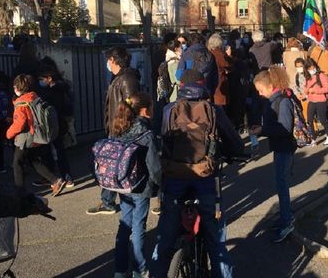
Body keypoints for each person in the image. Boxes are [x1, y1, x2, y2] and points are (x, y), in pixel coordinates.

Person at [151, 70, 245, 277]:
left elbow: (157, 138)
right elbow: (233, 141)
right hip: (206, 178)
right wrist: (239, 153)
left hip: (174, 176)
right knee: (216, 240)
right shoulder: (213, 110)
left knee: (165, 240)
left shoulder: (168, 109)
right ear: (202, 84)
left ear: (181, 86)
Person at [111, 93, 162, 278]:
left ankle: (120, 268)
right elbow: (154, 167)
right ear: (145, 110)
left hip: (122, 185)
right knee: (138, 226)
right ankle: (140, 268)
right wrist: (161, 184)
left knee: (125, 224)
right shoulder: (146, 134)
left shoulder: (118, 128)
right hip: (141, 186)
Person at [88, 46, 141, 216]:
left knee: (113, 165)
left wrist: (123, 124)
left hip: (121, 128)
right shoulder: (119, 78)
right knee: (110, 164)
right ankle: (108, 200)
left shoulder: (126, 79)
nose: (107, 63)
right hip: (116, 127)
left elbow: (132, 104)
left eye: (108, 60)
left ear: (113, 60)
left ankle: (110, 201)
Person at [250, 66, 296, 243]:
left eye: (261, 90)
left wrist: (263, 129)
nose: (260, 94)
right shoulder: (274, 100)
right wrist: (262, 130)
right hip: (279, 147)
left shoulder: (282, 101)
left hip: (285, 148)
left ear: (270, 87)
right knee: (280, 184)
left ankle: (287, 221)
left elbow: (284, 127)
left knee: (282, 186)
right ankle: (285, 217)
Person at [7, 74, 65, 196]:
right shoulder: (34, 98)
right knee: (33, 160)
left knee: (17, 164)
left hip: (25, 138)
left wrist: (8, 133)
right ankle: (55, 180)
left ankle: (20, 192)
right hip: (36, 136)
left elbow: (20, 123)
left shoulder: (21, 104)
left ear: (17, 87)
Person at [38, 66, 74, 187]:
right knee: (59, 151)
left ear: (49, 78)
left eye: (42, 79)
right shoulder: (63, 88)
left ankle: (59, 177)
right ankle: (66, 177)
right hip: (61, 123)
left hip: (53, 124)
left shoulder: (53, 92)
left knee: (54, 151)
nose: (41, 81)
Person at [304, 59, 328, 146]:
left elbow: (327, 88)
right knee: (309, 120)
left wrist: (315, 90)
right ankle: (313, 138)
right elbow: (306, 89)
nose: (311, 70)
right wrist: (307, 91)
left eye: (312, 67)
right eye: (309, 69)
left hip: (321, 100)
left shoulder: (322, 76)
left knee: (323, 120)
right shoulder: (308, 77)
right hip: (311, 100)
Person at [207, 33, 233, 108]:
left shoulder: (208, 53)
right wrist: (229, 55)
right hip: (220, 84)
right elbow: (228, 65)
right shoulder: (219, 53)